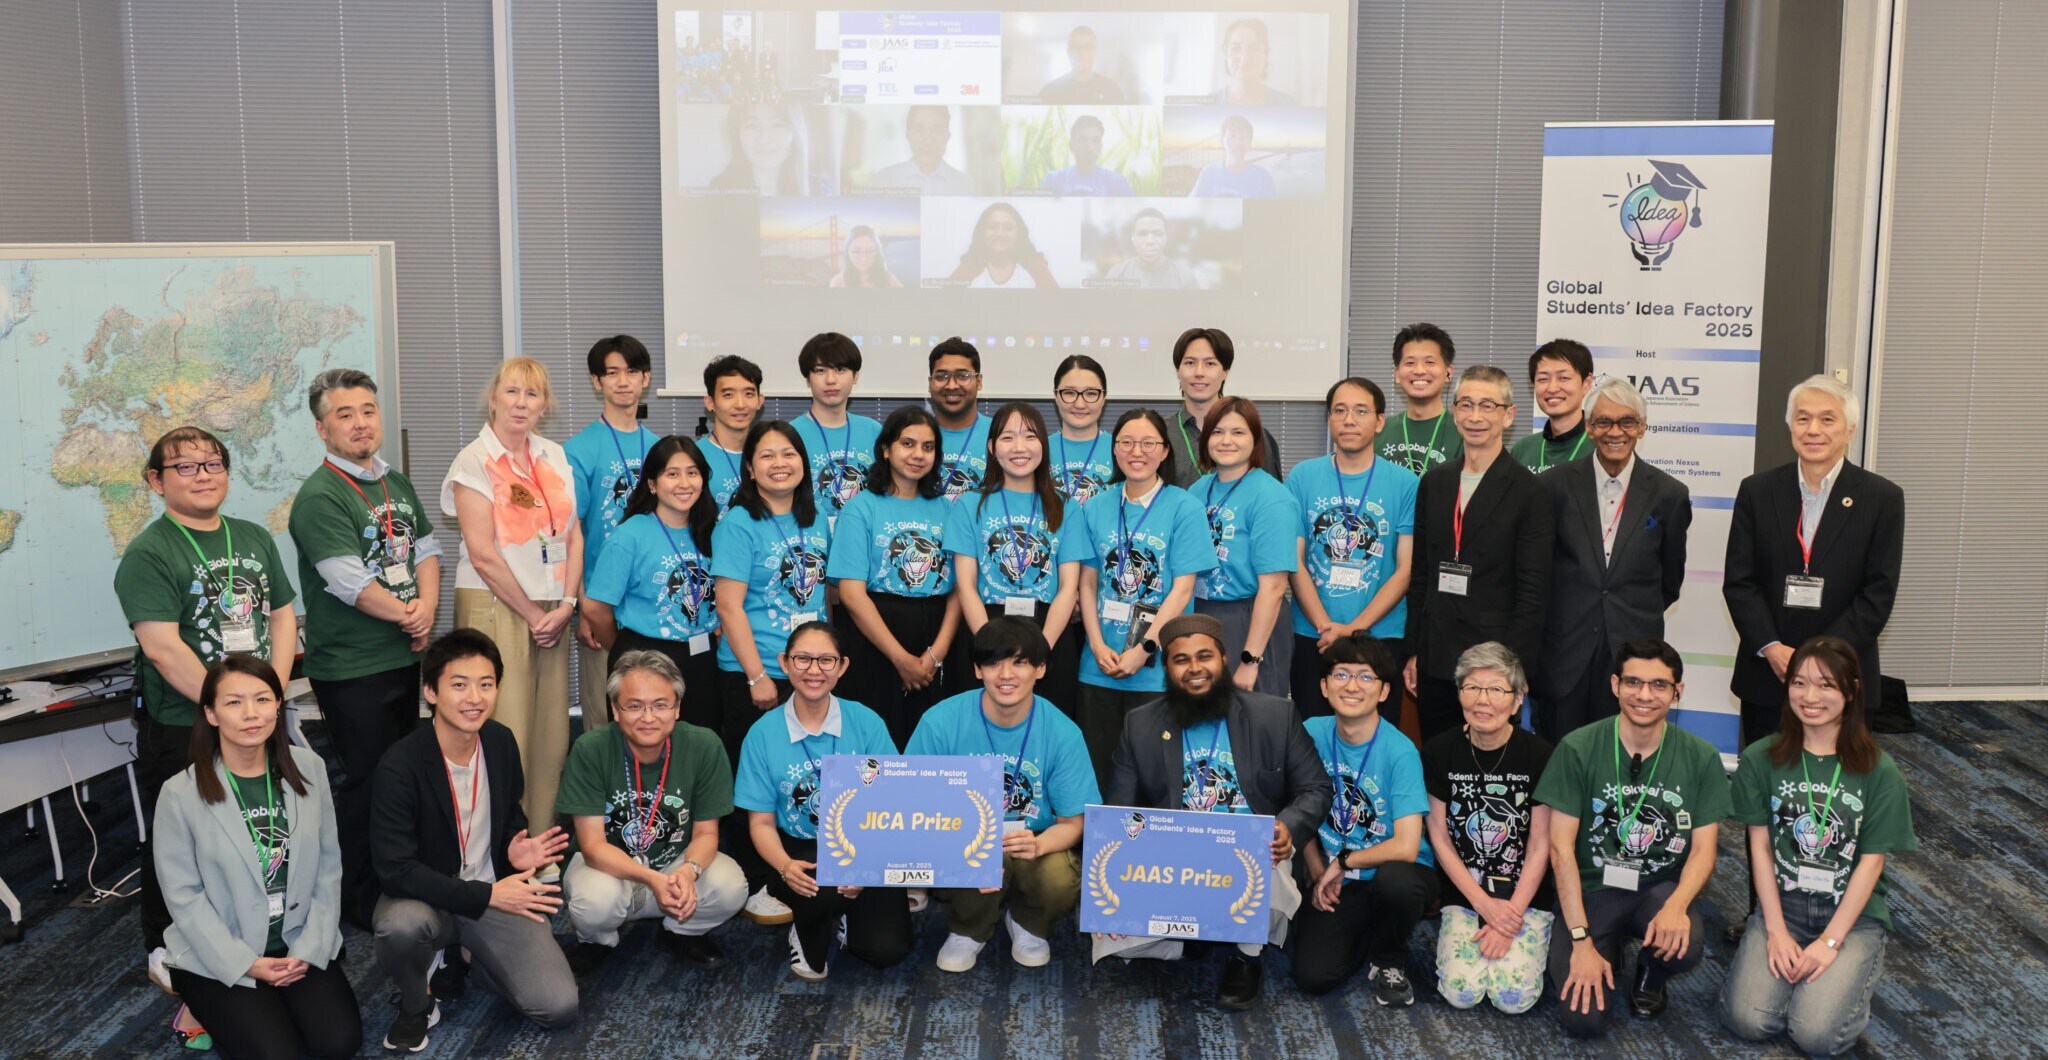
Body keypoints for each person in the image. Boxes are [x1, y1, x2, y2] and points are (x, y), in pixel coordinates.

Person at [117, 425, 298, 1046]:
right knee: (183, 845)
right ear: (156, 481)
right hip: (184, 724)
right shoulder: (149, 553)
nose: (202, 474)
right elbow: (163, 648)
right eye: (185, 466)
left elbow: (281, 616)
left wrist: (267, 699)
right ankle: (172, 959)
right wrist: (229, 709)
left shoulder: (252, 537)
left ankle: (257, 942)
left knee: (256, 831)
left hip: (253, 718)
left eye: (213, 463)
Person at [1098, 613, 1329, 1009]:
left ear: (1223, 659)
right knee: (1109, 938)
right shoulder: (1140, 724)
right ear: (1167, 669)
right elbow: (1120, 812)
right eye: (1181, 660)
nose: (1195, 669)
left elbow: (1316, 788)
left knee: (1267, 860)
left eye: (1204, 656)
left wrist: (1287, 826)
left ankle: (1244, 957)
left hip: (1251, 854)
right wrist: (1121, 885)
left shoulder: (1274, 715)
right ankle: (1191, 940)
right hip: (1174, 862)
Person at [370, 629, 578, 1051]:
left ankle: (465, 958)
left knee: (558, 1006)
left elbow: (510, 817)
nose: (475, 698)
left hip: (493, 895)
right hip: (429, 897)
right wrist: (486, 895)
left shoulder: (500, 741)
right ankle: (416, 1004)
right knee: (399, 927)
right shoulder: (400, 764)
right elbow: (396, 869)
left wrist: (516, 848)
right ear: (431, 692)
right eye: (460, 685)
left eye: (486, 684)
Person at [289, 370, 441, 931]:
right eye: (345, 414)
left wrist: (426, 608)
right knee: (369, 783)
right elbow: (347, 581)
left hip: (401, 655)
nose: (360, 423)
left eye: (368, 411)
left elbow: (427, 548)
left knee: (400, 777)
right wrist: (409, 614)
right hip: (352, 666)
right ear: (322, 428)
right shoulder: (320, 496)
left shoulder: (393, 481)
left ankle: (397, 877)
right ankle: (357, 896)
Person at [154, 656, 360, 1060]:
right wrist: (244, 963)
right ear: (211, 714)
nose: (251, 713)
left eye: (263, 699)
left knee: (338, 1043)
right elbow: (183, 898)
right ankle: (201, 1005)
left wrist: (309, 948)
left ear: (278, 706)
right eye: (234, 702)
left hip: (294, 941)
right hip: (221, 951)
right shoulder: (180, 794)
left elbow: (328, 866)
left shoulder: (309, 768)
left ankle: (267, 1004)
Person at [1721, 636, 1916, 1057]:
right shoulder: (1760, 758)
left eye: (1826, 685)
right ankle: (1806, 986)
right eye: (1800, 683)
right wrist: (1775, 931)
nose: (1810, 697)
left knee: (1816, 1037)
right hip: (1784, 908)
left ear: (1851, 690)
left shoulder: (1879, 771)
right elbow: (1760, 848)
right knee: (1747, 1021)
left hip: (1851, 917)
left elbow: (1871, 864)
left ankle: (1846, 978)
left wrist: (1830, 942)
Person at [1536, 638, 1730, 1039]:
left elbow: (1704, 850)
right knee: (1583, 1021)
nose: (1644, 695)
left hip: (1657, 888)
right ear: (1615, 685)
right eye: (1633, 682)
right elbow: (1560, 850)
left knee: (1687, 944)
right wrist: (1581, 940)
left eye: (1659, 685)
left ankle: (1651, 971)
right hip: (1593, 889)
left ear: (1677, 691)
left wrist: (1677, 906)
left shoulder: (1701, 756)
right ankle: (1606, 944)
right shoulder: (1577, 747)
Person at [906, 617, 1099, 971]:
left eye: (1020, 662)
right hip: (958, 840)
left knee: (1059, 878)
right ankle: (969, 929)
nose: (1005, 674)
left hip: (1032, 842)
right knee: (981, 858)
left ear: (1040, 669)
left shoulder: (1063, 732)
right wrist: (962, 845)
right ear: (977, 670)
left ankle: (1027, 922)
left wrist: (1039, 845)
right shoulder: (940, 722)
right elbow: (910, 806)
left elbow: (1074, 823)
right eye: (993, 663)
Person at [1724, 375, 1905, 747]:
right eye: (1803, 418)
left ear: (1849, 429)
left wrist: (1821, 661)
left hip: (1843, 675)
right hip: (1769, 673)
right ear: (1791, 426)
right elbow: (1740, 583)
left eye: (1827, 419)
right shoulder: (1757, 491)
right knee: (1765, 774)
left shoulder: (1882, 498)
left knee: (1838, 778)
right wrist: (1772, 648)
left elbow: (1877, 594)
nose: (1813, 430)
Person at [441, 356, 582, 835]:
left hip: (552, 610)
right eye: (512, 392)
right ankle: (499, 847)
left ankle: (539, 842)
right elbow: (483, 555)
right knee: (506, 732)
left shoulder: (554, 455)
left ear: (545, 405)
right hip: (498, 604)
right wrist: (533, 614)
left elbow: (573, 535)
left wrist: (567, 605)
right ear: (493, 398)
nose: (521, 403)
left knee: (551, 736)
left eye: (532, 394)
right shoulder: (473, 460)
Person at [734, 623, 911, 981]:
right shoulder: (762, 733)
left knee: (886, 950)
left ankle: (842, 912)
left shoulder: (866, 722)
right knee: (820, 892)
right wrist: (785, 866)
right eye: (803, 659)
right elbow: (761, 823)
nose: (814, 670)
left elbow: (890, 804)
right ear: (784, 663)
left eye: (826, 660)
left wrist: (865, 866)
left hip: (863, 840)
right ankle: (805, 917)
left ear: (842, 666)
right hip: (797, 848)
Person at [710, 419, 834, 926]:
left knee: (801, 771)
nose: (779, 463)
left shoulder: (819, 518)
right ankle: (756, 879)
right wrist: (757, 676)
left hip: (810, 667)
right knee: (756, 778)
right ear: (749, 468)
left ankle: (796, 870)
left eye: (788, 453)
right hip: (757, 670)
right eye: (766, 455)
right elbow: (729, 606)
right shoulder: (738, 523)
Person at [557, 651, 746, 978]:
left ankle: (680, 930)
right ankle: (597, 941)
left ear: (677, 708)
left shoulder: (704, 745)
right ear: (615, 709)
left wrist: (687, 872)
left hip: (674, 864)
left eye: (660, 705)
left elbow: (706, 834)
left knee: (732, 887)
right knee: (595, 902)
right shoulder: (591, 749)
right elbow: (593, 846)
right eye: (634, 706)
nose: (648, 717)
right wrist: (651, 879)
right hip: (608, 868)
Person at [1536, 377, 1692, 742]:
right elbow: (1540, 573)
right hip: (1564, 654)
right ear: (1589, 427)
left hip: (1633, 658)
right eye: (1604, 422)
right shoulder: (1552, 486)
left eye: (1627, 422)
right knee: (1560, 755)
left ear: (1642, 427)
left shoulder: (1669, 494)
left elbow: (1669, 581)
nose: (1615, 432)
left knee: (1622, 755)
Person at [1404, 365, 1553, 742]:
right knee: (1437, 758)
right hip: (1436, 657)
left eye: (1487, 405)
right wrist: (1414, 651)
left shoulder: (1529, 492)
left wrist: (1513, 668)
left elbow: (1533, 591)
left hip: (1493, 664)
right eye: (1466, 404)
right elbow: (1420, 575)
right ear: (1454, 411)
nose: (1475, 416)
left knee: (1490, 763)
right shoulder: (1435, 482)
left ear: (1509, 415)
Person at [1075, 409, 1219, 789]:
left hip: (1157, 669)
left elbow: (1183, 589)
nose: (1136, 451)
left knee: (1155, 781)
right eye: (1126, 442)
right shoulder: (1095, 506)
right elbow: (1087, 583)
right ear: (1114, 449)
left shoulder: (1184, 507)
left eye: (1148, 443)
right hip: (1099, 665)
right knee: (1099, 776)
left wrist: (1145, 648)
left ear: (1165, 451)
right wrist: (1096, 645)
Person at [1290, 632, 1436, 1004]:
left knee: (1397, 884)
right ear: (1324, 686)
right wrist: (1317, 869)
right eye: (1341, 674)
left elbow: (1406, 846)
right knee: (1313, 976)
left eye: (1366, 676)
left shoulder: (1400, 751)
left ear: (1384, 691)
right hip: (1337, 874)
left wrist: (1342, 862)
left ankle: (1389, 956)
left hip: (1394, 871)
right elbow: (1296, 808)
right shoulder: (1310, 732)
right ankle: (1367, 931)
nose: (1352, 686)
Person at [1421, 642, 1556, 1014]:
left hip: (1523, 894)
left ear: (1517, 700)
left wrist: (1508, 917)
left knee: (1513, 999)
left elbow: (1540, 845)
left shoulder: (1541, 755)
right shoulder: (1438, 751)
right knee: (1460, 994)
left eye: (1496, 689)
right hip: (1465, 890)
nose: (1483, 700)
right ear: (1459, 693)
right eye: (1472, 687)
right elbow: (1439, 837)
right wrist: (1483, 905)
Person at [829, 406, 961, 747]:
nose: (918, 454)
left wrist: (935, 655)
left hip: (936, 639)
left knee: (934, 747)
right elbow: (851, 594)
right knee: (876, 747)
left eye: (928, 447)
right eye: (908, 443)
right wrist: (902, 660)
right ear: (886, 449)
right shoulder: (860, 508)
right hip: (875, 641)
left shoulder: (949, 510)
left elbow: (959, 589)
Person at [947, 402, 1087, 716]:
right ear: (992, 447)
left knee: (1048, 727)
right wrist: (990, 651)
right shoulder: (970, 504)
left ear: (1044, 445)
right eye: (1008, 437)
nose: (1019, 447)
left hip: (1048, 630)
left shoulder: (1065, 506)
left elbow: (1069, 588)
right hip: (985, 626)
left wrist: (1041, 652)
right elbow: (966, 586)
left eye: (1030, 437)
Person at [1288, 378, 1417, 717]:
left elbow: (1405, 569)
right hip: (1313, 635)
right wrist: (1326, 626)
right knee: (1311, 735)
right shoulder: (1303, 476)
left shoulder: (1405, 483)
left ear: (1379, 421)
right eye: (1339, 411)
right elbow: (1294, 560)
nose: (1349, 420)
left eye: (1361, 411)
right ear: (1329, 419)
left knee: (1375, 735)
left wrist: (1354, 628)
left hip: (1380, 635)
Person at [582, 435, 723, 733]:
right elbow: (595, 608)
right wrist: (623, 647)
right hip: (644, 659)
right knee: (644, 747)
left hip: (702, 658)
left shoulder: (712, 529)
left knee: (700, 744)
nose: (684, 483)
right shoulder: (629, 536)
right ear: (652, 484)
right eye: (672, 474)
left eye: (692, 473)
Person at [565, 335, 657, 733]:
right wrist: (583, 606)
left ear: (646, 379)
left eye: (632, 372)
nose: (622, 381)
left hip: (653, 602)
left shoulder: (660, 449)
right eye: (612, 372)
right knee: (604, 716)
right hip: (602, 604)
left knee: (654, 713)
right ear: (596, 381)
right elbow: (571, 534)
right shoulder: (578, 450)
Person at [1189, 397, 1298, 698]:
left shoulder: (1272, 498)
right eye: (1217, 432)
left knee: (1252, 715)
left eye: (1238, 432)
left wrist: (1251, 660)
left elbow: (1274, 588)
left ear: (1255, 439)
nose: (1226, 441)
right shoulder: (1198, 490)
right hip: (1201, 613)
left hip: (1250, 619)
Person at [1164, 327, 1281, 488]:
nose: (1199, 372)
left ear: (1225, 371)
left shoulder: (1253, 435)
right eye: (1190, 363)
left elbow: (1271, 493)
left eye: (1210, 363)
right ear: (1178, 370)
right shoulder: (1160, 435)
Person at [789, 332, 883, 523]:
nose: (830, 380)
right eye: (820, 371)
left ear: (855, 376)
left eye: (840, 369)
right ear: (807, 379)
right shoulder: (789, 434)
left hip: (862, 533)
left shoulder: (873, 431)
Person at [1377, 323, 1463, 474]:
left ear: (1448, 373)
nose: (1419, 370)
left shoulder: (1464, 433)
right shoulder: (1378, 431)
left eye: (1430, 362)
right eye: (1410, 363)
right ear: (1397, 374)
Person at [1509, 339, 1595, 474]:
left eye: (1564, 378)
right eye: (1543, 379)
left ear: (1586, 383)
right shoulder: (1523, 450)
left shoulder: (1600, 446)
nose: (1553, 388)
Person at [928, 338, 993, 499]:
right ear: (930, 383)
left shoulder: (1000, 434)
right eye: (941, 376)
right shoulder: (914, 437)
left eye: (963, 376)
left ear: (979, 381)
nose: (952, 385)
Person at [708, 103, 821, 194]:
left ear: (795, 131)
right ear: (738, 134)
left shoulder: (818, 188)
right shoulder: (718, 188)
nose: (764, 139)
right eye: (752, 125)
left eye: (777, 125)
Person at [698, 354, 765, 509]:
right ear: (710, 402)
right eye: (728, 395)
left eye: (749, 394)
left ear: (760, 401)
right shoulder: (694, 457)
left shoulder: (769, 455)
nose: (740, 404)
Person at [1047, 354, 1115, 504]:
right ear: (1055, 396)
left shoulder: (1122, 450)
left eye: (1090, 394)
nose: (1079, 404)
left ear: (1104, 397)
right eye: (1069, 393)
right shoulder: (1038, 450)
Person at [948, 202, 1061, 288]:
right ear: (982, 232)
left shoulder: (1035, 266)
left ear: (1019, 233)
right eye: (992, 227)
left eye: (1008, 228)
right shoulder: (970, 266)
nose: (1000, 234)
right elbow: (945, 303)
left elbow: (1056, 305)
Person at [872, 105, 973, 195]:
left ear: (947, 136)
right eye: (919, 130)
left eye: (937, 130)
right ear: (908, 136)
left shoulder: (965, 184)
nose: (928, 140)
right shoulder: (886, 179)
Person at [1101, 208, 1201, 289]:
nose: (1150, 241)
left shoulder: (1185, 278)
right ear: (1133, 237)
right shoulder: (1116, 276)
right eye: (1142, 234)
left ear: (1166, 237)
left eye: (1157, 234)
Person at [1038, 116, 1134, 196]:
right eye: (1082, 140)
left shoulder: (1117, 182)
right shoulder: (1053, 180)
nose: (1090, 147)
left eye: (1095, 140)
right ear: (1071, 145)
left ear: (1101, 146)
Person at [1188, 115, 1276, 199]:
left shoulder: (1263, 177)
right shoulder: (1208, 173)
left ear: (1250, 142)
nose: (1238, 142)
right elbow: (1192, 205)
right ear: (1222, 140)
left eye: (1244, 136)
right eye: (1233, 136)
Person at [1038, 25, 1125, 104]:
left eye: (1088, 47)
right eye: (1076, 47)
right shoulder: (1050, 91)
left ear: (1095, 52)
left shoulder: (1111, 90)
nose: (1082, 53)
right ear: (1069, 52)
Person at [1219, 18, 1295, 106]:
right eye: (1235, 48)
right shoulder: (1210, 104)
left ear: (1266, 53)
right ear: (1225, 52)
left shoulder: (1287, 104)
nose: (1245, 58)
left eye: (1254, 48)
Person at [828, 226, 904, 288]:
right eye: (856, 251)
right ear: (847, 253)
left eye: (870, 251)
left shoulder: (889, 281)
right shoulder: (837, 283)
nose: (863, 259)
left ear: (877, 253)